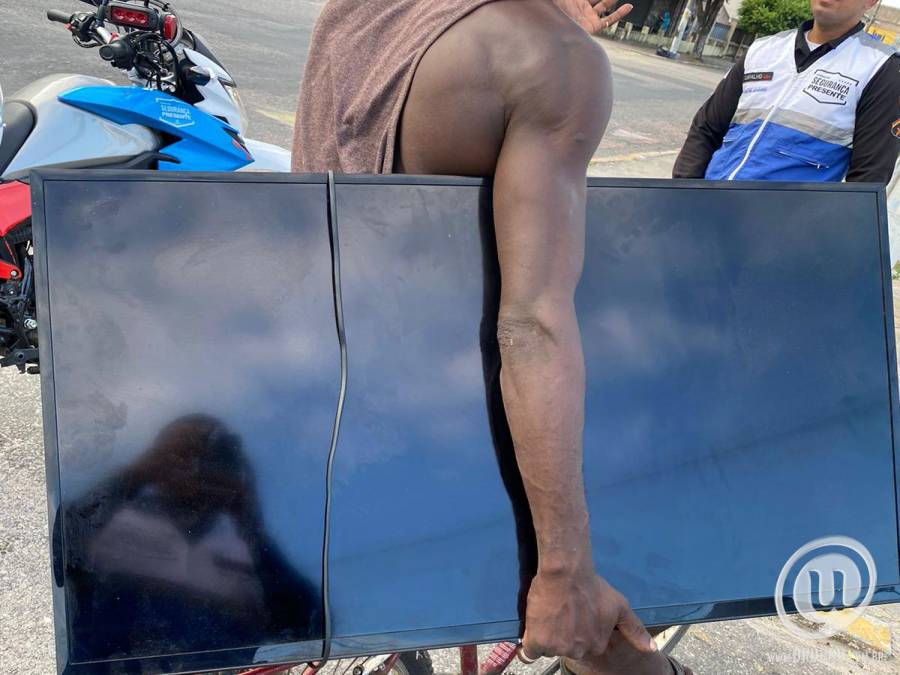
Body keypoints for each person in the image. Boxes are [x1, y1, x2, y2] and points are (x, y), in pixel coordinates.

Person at [293, 1, 693, 674]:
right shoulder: (552, 57)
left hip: (320, 390)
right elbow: (532, 324)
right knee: (603, 622)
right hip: (446, 423)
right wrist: (565, 568)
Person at [673, 0, 899, 182]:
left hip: (782, 222)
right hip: (708, 206)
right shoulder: (764, 49)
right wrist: (685, 193)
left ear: (871, 2)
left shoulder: (881, 69)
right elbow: (706, 128)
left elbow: (869, 177)